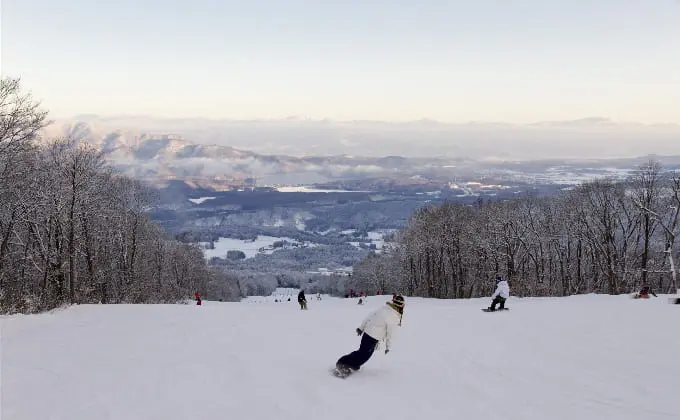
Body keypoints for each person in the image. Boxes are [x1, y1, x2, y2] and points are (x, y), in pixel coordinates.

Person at [335, 295, 405, 375]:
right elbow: (390, 333)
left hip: (369, 334)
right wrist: (388, 347)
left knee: (363, 354)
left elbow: (369, 316)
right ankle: (342, 364)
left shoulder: (385, 308)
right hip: (372, 337)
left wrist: (361, 328)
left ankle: (352, 364)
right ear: (401, 306)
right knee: (363, 355)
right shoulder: (393, 316)